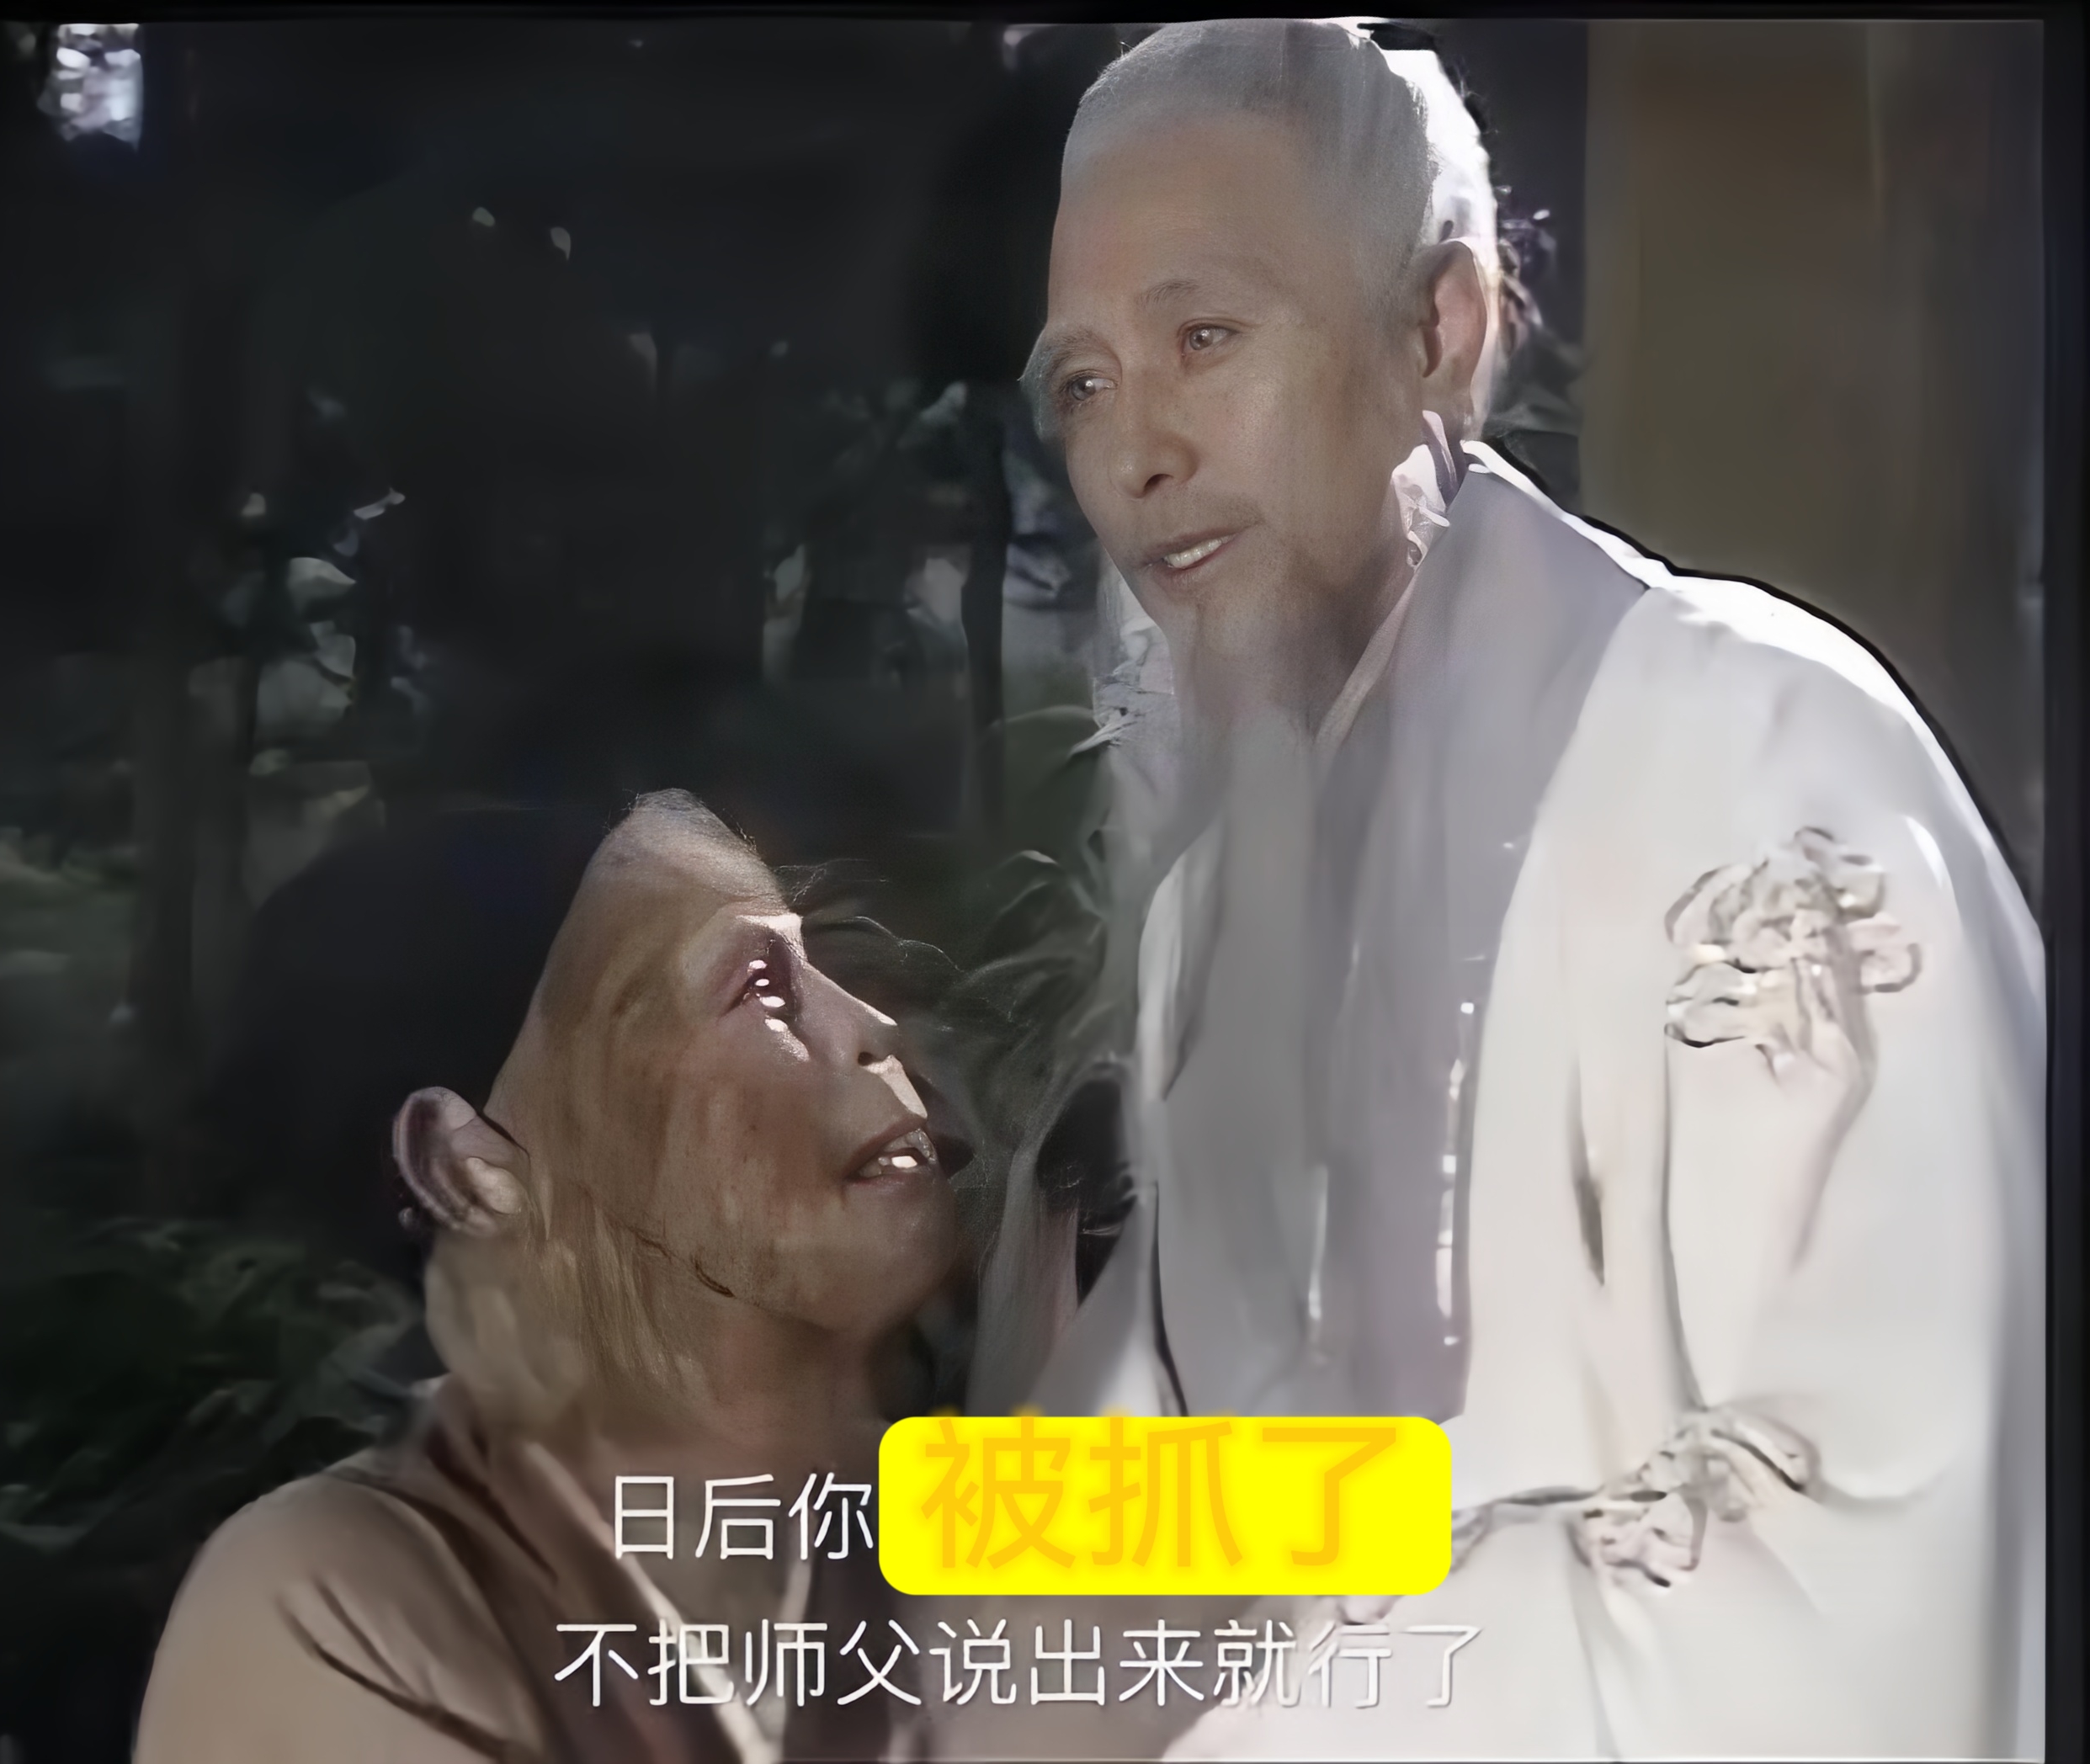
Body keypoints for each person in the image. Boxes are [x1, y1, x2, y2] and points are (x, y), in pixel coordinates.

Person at [1008, 19, 2044, 1759]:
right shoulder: (1213, 917)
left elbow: (1882, 1556)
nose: (1133, 455)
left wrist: (1240, 1722)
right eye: (1082, 386)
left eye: (1202, 339)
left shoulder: (1763, 768)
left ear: (1441, 329)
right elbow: (1219, 1487)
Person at [136, 790, 958, 1762]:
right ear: (468, 1169)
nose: (870, 1026)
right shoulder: (334, 1597)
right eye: (757, 989)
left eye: (812, 965)